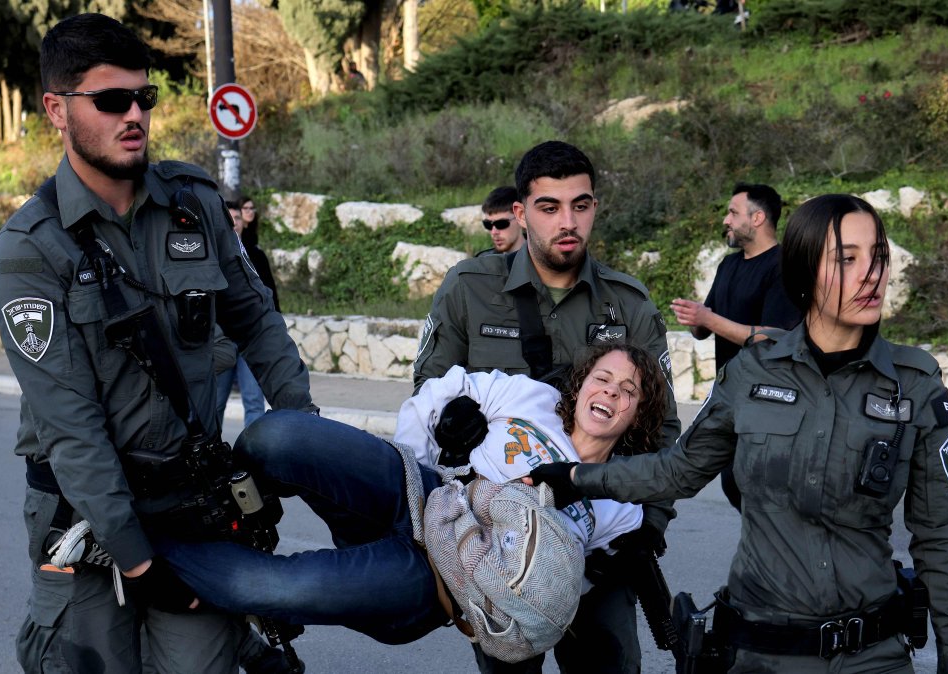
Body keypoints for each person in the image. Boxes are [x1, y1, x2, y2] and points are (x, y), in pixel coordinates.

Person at [532, 194, 948, 674]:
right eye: (847, 259)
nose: (870, 274)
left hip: (872, 654)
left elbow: (937, 530)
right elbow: (677, 471)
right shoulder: (751, 374)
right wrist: (575, 477)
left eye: (878, 256)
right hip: (760, 653)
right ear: (803, 271)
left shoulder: (915, 383)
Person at [0, 14, 314, 674]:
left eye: (145, 98)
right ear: (56, 108)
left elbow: (257, 320)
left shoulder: (193, 202)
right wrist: (136, 561)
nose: (134, 114)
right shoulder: (28, 254)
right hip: (83, 517)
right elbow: (71, 427)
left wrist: (303, 438)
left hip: (190, 505)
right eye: (111, 101)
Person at [155, 344, 668, 657]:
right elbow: (447, 389)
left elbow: (552, 592)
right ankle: (209, 502)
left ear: (638, 413)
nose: (611, 393)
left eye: (629, 391)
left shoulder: (619, 504)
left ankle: (145, 548)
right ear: (581, 385)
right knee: (279, 436)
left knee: (272, 586)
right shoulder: (528, 397)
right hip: (419, 490)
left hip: (438, 581)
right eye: (603, 378)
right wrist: (426, 448)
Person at [414, 140, 680, 673]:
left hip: (602, 542)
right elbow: (428, 390)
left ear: (594, 208)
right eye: (549, 207)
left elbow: (663, 429)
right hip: (501, 542)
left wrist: (651, 521)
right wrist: (451, 420)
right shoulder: (470, 289)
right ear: (519, 212)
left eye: (580, 206)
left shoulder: (627, 303)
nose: (568, 222)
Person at [671, 182, 800, 510]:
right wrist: (696, 320)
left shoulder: (783, 265)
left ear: (757, 218)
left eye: (732, 212)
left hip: (770, 399)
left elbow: (774, 335)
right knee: (733, 481)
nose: (726, 220)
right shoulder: (728, 265)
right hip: (731, 396)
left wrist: (709, 319)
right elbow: (707, 327)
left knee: (752, 484)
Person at [216, 200, 269, 428]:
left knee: (254, 402)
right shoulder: (208, 257)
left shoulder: (256, 256)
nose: (233, 223)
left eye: (237, 218)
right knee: (214, 404)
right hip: (221, 340)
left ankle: (252, 458)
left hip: (251, 339)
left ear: (244, 223)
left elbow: (270, 297)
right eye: (228, 218)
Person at [476, 185, 525, 256]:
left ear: (521, 217)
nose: (494, 232)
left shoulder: (542, 261)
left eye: (501, 224)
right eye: (488, 224)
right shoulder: (483, 262)